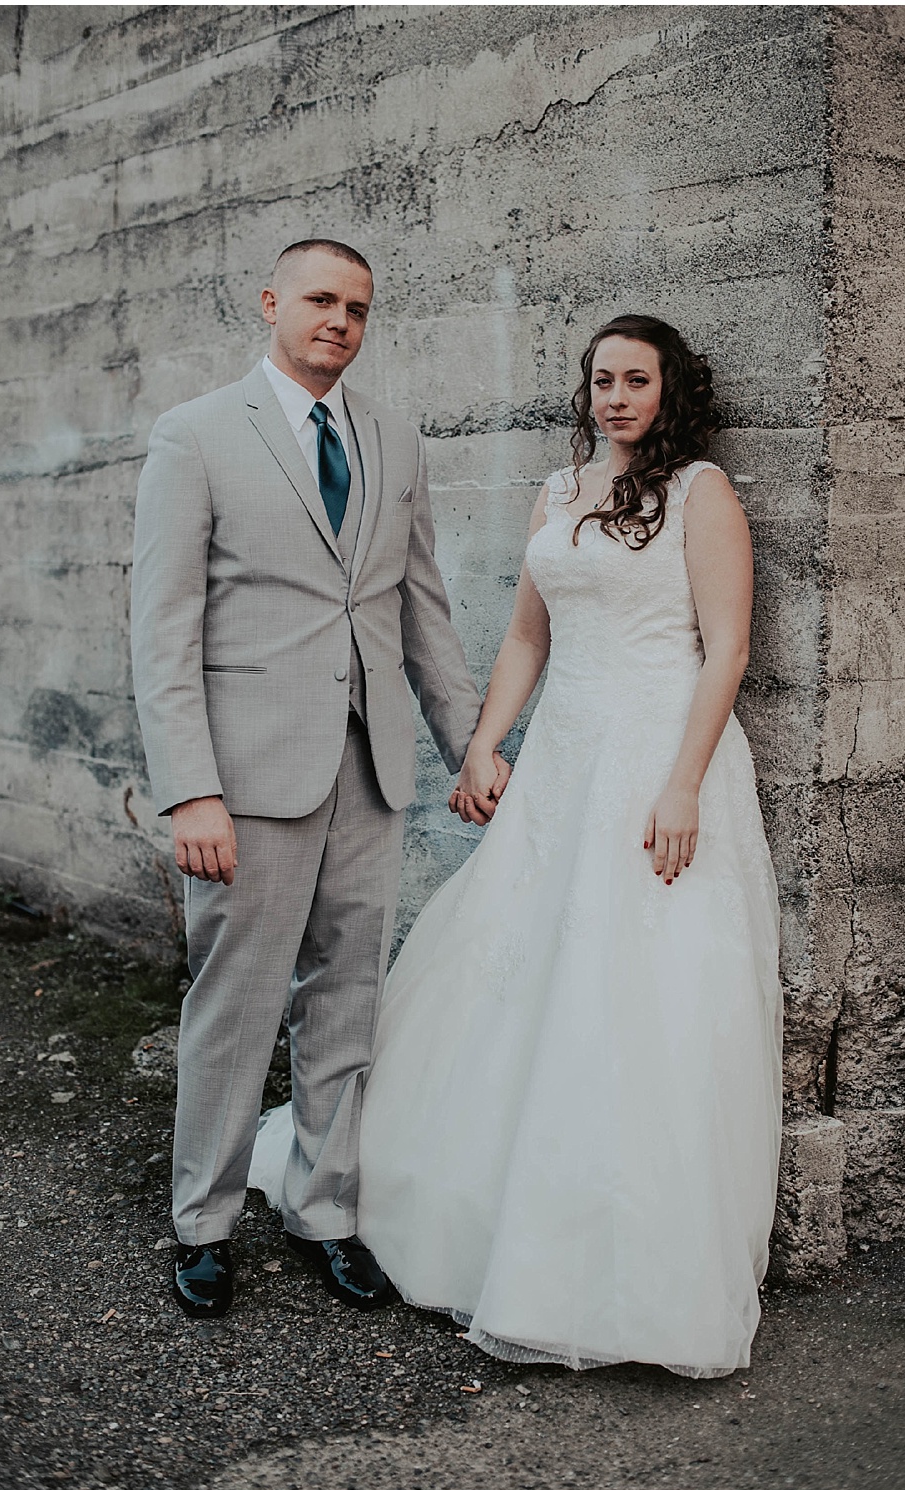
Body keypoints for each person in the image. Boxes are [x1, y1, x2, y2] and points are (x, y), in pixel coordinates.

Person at [250, 314, 783, 1378]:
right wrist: (485, 746)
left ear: (670, 391)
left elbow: (726, 648)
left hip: (656, 757)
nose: (615, 396)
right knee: (515, 966)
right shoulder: (558, 490)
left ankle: (616, 1265)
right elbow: (530, 636)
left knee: (637, 985)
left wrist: (681, 782)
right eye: (601, 379)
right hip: (564, 763)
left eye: (636, 380)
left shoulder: (700, 493)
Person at [130, 239, 503, 1320]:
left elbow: (418, 607)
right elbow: (163, 632)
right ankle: (201, 1222)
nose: (340, 321)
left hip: (370, 766)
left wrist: (467, 742)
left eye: (358, 308)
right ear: (271, 304)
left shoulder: (392, 437)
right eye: (320, 301)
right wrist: (188, 788)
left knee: (349, 997)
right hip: (244, 776)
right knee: (236, 1003)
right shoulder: (194, 436)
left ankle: (325, 1213)